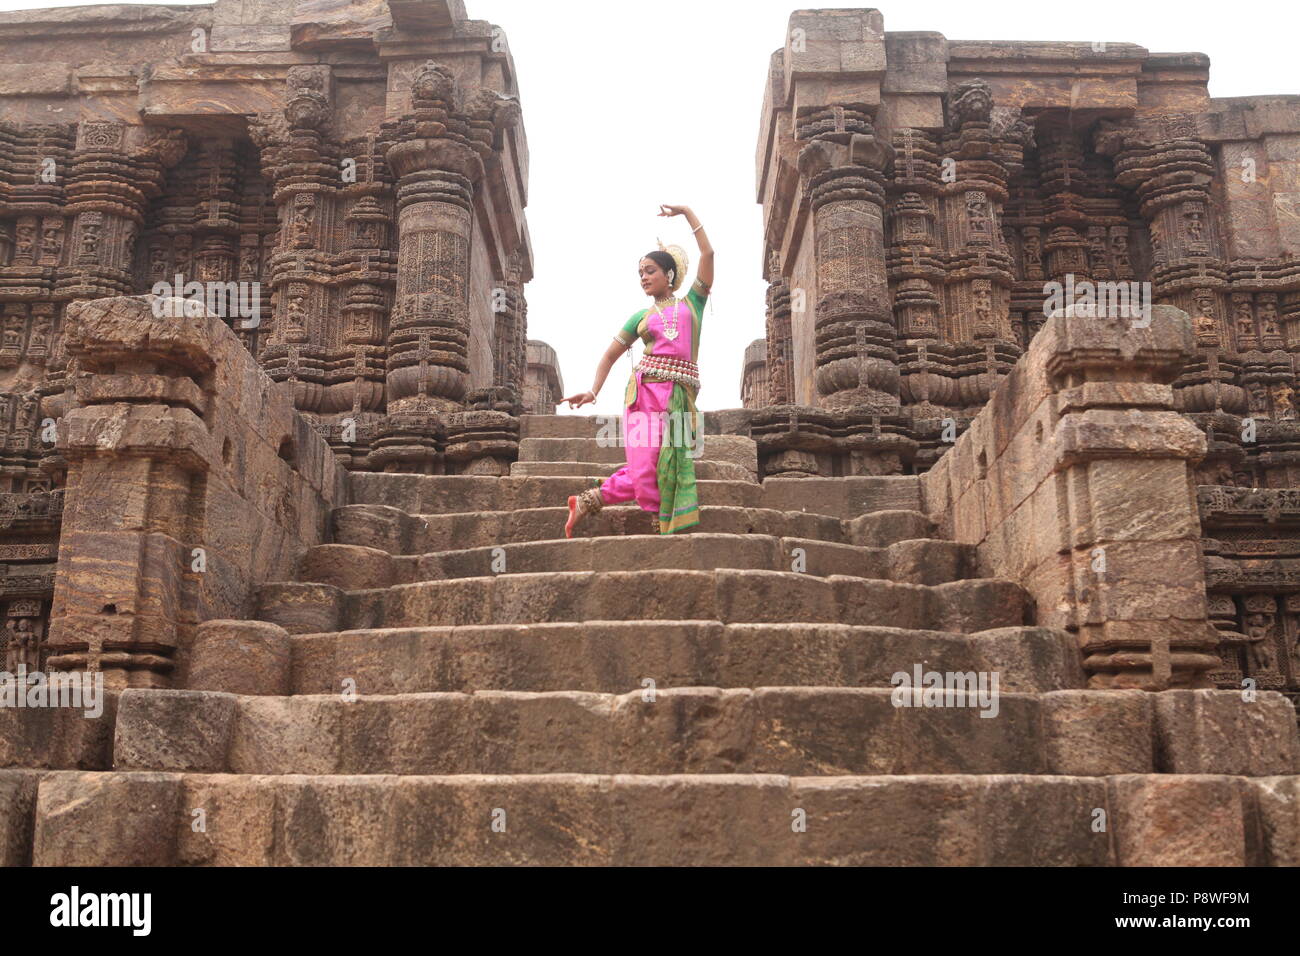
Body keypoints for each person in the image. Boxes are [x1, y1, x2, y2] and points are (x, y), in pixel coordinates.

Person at [561, 204, 713, 536]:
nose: (643, 277)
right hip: (643, 396)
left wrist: (687, 212)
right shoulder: (640, 318)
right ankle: (594, 503)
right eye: (640, 273)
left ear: (669, 274)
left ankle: (588, 501)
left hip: (679, 396)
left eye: (650, 270)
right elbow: (609, 355)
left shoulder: (693, 304)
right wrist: (593, 390)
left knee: (667, 465)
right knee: (645, 469)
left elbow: (708, 253)